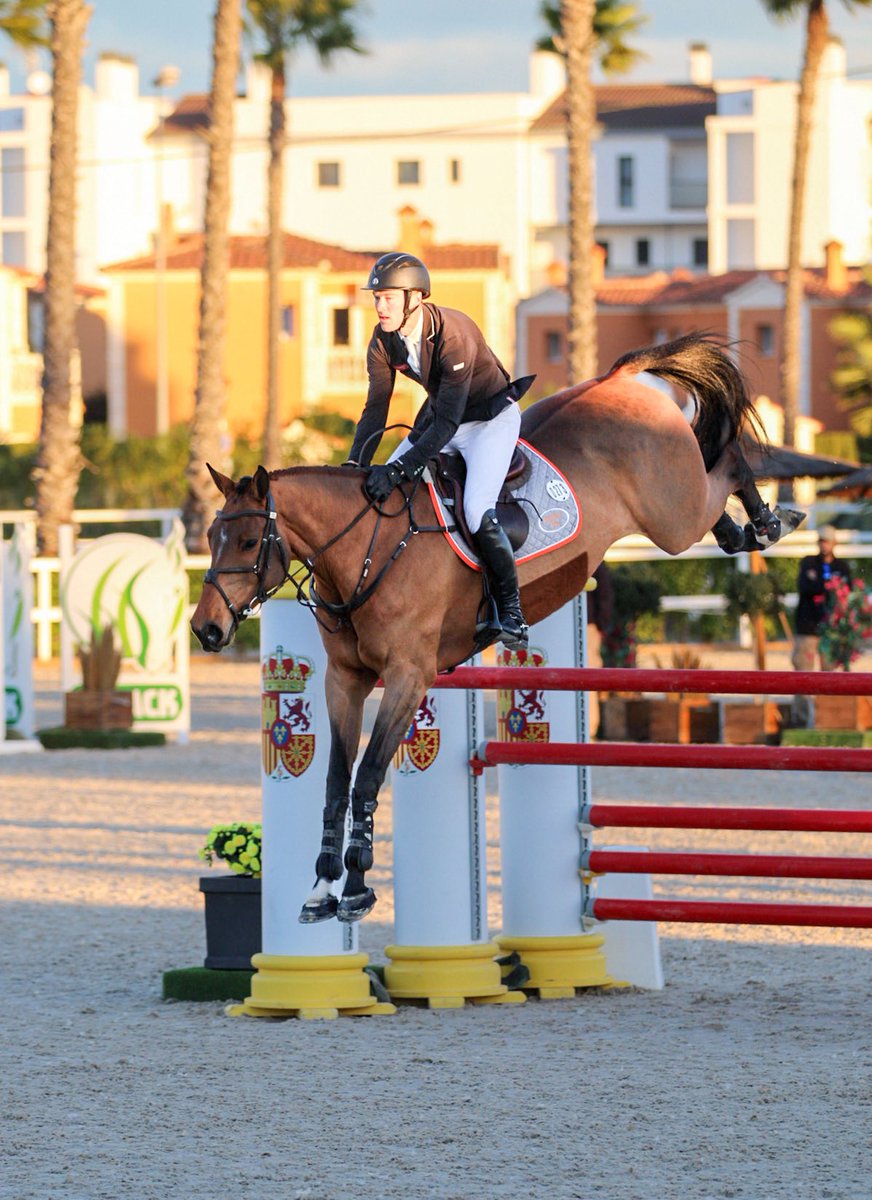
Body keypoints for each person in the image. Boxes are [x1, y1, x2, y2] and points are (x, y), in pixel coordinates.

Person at [346, 251, 534, 648]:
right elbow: (375, 409)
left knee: (476, 509)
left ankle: (512, 612)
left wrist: (400, 470)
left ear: (416, 298)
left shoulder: (454, 334)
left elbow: (449, 423)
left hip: (488, 423)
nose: (380, 306)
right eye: (377, 298)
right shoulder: (383, 341)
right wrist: (353, 466)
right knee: (376, 492)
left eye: (389, 298)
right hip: (442, 420)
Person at [792, 525, 852, 673]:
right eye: (821, 541)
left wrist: (817, 582)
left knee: (829, 670)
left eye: (827, 541)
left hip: (831, 626)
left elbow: (846, 592)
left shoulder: (842, 566)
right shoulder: (809, 562)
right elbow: (805, 587)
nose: (824, 545)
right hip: (808, 624)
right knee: (803, 667)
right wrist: (830, 585)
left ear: (834, 543)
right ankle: (804, 697)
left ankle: (826, 697)